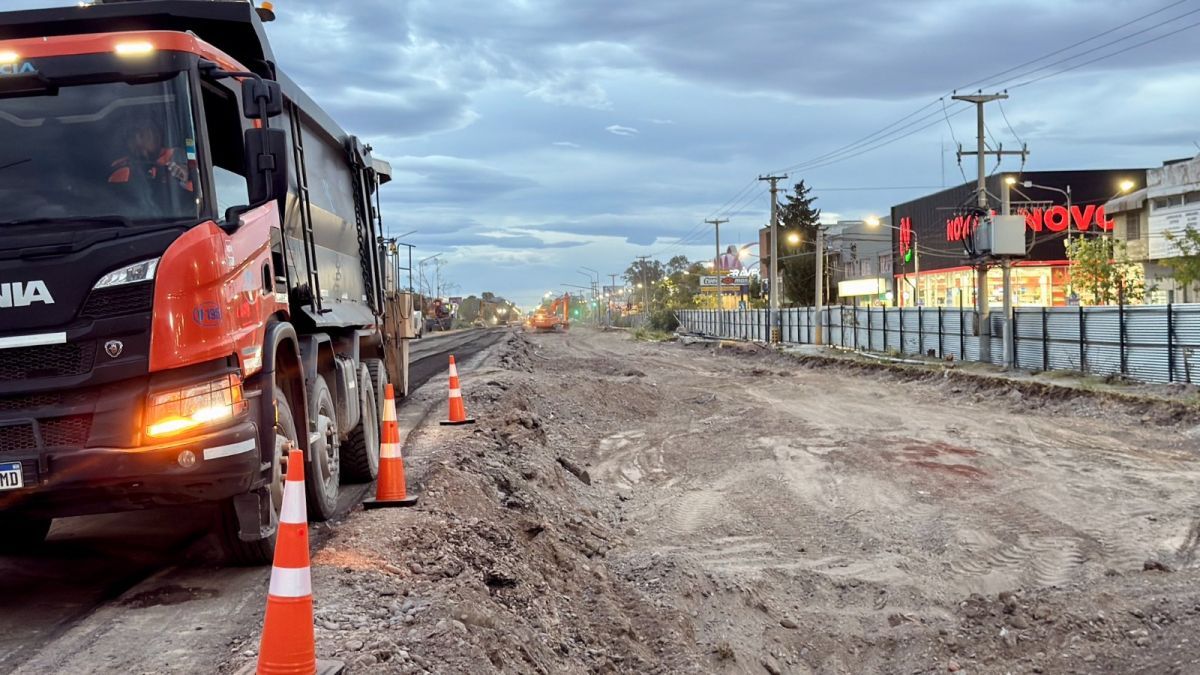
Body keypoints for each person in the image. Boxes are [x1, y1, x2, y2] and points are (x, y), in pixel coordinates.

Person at [108, 117, 193, 192]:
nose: (144, 151)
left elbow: (198, 194)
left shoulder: (182, 156)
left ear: (157, 133)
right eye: (137, 149)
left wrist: (184, 179)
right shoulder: (122, 168)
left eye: (142, 135)